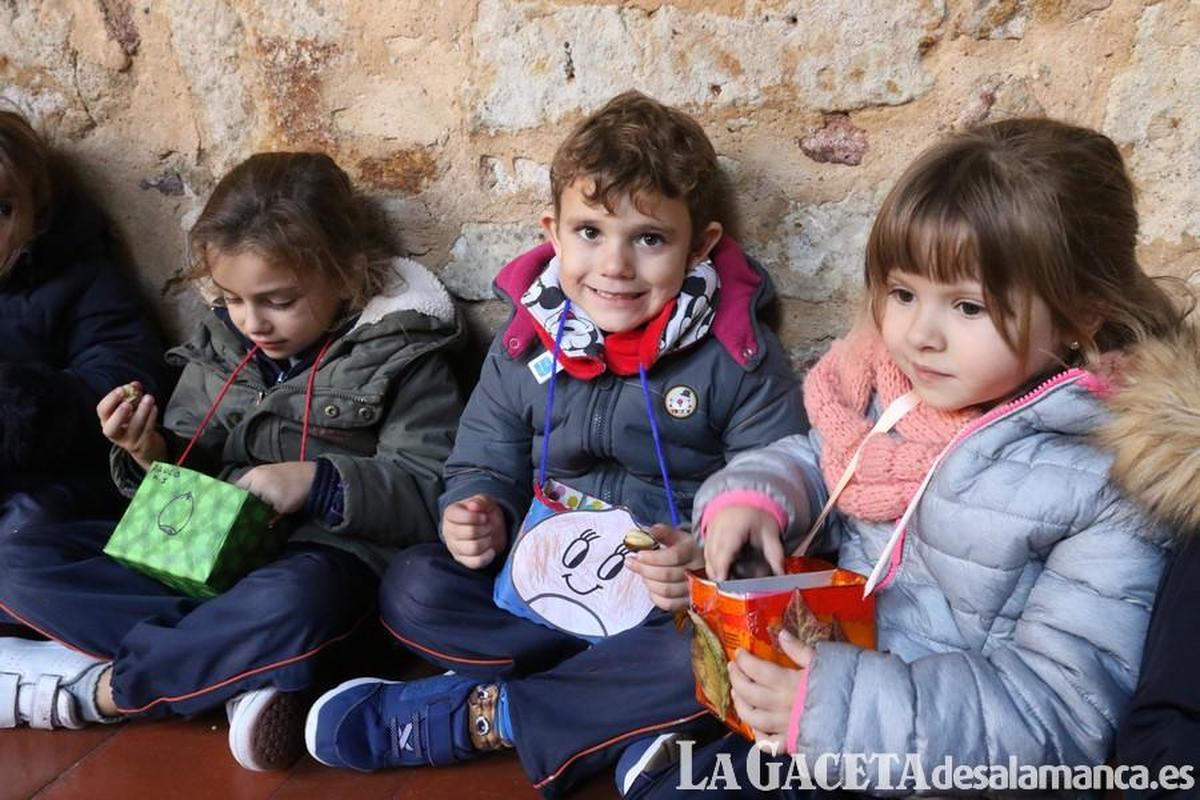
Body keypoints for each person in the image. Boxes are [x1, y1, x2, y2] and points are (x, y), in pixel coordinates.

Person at [623, 118, 1191, 798]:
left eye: (968, 306)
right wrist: (753, 499)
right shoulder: (899, 398)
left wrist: (836, 708)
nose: (920, 334)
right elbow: (824, 460)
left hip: (930, 761)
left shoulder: (1108, 482)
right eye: (902, 294)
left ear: (1081, 314)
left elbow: (1062, 714)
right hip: (828, 696)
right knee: (650, 739)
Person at [304, 90, 807, 797]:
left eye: (650, 239)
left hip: (665, 607)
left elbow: (776, 488)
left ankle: (492, 713)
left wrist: (703, 552)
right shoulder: (523, 342)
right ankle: (621, 718)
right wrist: (477, 509)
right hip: (541, 591)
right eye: (591, 232)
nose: (616, 265)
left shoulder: (738, 357)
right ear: (553, 230)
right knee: (413, 587)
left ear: (702, 246)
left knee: (719, 649)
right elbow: (482, 456)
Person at [0, 151, 464, 772]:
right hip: (199, 553)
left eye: (278, 300)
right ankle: (236, 668)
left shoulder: (404, 355)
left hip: (317, 560)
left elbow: (432, 487)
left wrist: (318, 481)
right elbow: (185, 468)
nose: (253, 322)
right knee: (18, 555)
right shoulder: (222, 341)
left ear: (347, 274)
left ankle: (99, 692)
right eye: (233, 299)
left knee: (296, 605)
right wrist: (147, 451)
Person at [0, 109, 164, 536]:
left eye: (2, 209)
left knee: (27, 529)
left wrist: (16, 408)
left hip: (50, 482)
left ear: (36, 213)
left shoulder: (84, 279)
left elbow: (121, 377)